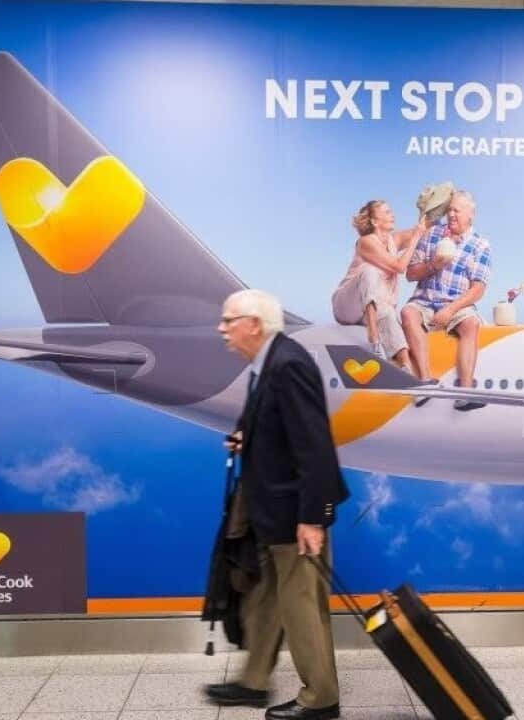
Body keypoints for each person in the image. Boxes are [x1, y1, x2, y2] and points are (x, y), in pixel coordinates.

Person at [205, 289, 349, 720]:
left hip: (293, 515)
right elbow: (280, 425)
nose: (222, 328)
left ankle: (320, 699)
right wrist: (248, 437)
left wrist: (313, 518)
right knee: (266, 597)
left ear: (254, 324)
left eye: (229, 320)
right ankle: (253, 683)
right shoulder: (268, 362)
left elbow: (315, 445)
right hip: (270, 513)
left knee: (301, 604)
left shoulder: (288, 365)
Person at [400, 190, 492, 411]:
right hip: (425, 301)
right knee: (407, 313)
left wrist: (450, 310)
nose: (451, 214)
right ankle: (425, 382)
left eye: (456, 211)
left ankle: (465, 393)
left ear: (470, 215)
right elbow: (411, 274)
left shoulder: (480, 245)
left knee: (471, 324)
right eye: (449, 209)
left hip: (456, 304)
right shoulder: (432, 235)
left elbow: (478, 289)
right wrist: (434, 265)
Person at [331, 201, 428, 370]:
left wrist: (431, 209)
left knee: (389, 313)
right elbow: (399, 267)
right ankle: (374, 338)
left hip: (373, 308)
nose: (393, 215)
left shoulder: (394, 240)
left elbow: (423, 230)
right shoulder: (366, 241)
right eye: (387, 212)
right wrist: (414, 241)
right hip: (347, 304)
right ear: (375, 222)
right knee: (370, 270)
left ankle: (406, 368)